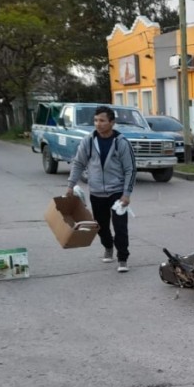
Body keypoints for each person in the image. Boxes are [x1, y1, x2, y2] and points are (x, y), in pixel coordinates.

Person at [66, 106, 136, 273]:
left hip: (117, 191)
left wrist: (126, 194)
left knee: (120, 227)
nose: (98, 124)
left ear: (112, 122)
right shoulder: (88, 141)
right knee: (101, 226)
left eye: (102, 121)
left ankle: (122, 258)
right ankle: (108, 246)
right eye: (96, 120)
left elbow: (130, 169)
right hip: (96, 191)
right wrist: (70, 186)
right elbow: (78, 163)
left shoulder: (121, 143)